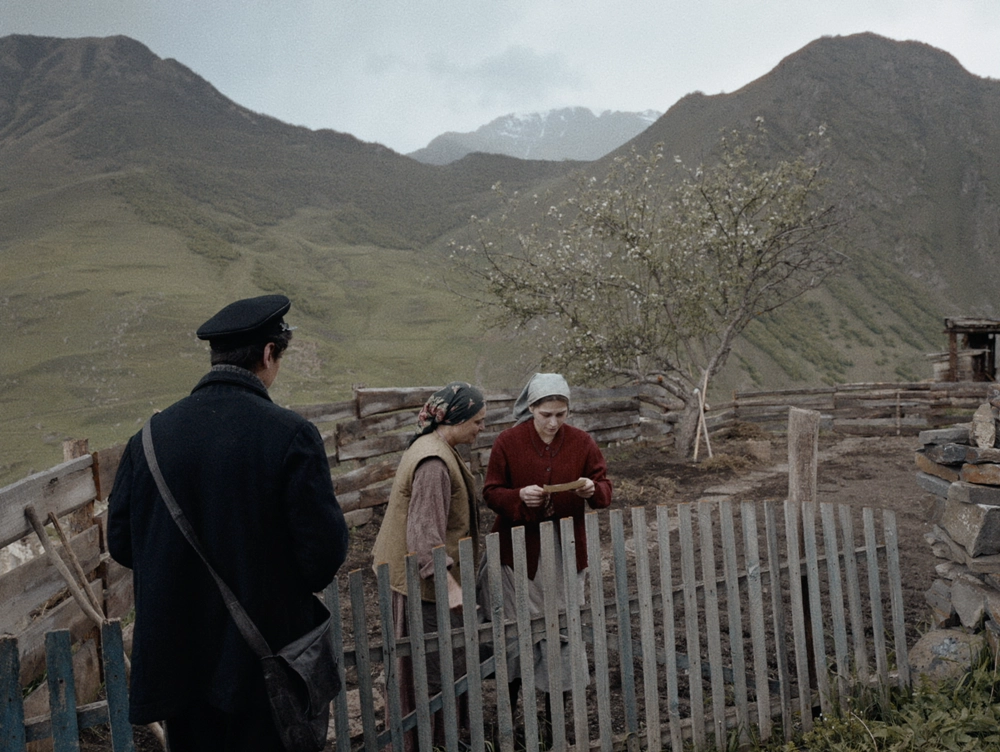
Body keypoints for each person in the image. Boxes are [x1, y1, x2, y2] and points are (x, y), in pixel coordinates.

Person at [107, 294, 349, 752]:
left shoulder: (148, 440)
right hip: (265, 662)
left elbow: (121, 544)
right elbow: (321, 559)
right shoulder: (291, 434)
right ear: (267, 354)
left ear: (215, 356)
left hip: (178, 664)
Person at [482, 372, 612, 729]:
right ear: (531, 408)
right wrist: (518, 496)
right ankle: (508, 719)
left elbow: (605, 489)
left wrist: (591, 490)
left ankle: (557, 721)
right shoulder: (508, 442)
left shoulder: (582, 442)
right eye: (546, 415)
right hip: (518, 553)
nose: (554, 422)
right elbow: (491, 491)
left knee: (563, 632)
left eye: (561, 414)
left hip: (566, 552)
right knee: (515, 633)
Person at [371, 382, 487, 751]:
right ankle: (424, 743)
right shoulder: (434, 463)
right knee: (428, 672)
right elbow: (424, 537)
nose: (481, 428)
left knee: (429, 667)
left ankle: (433, 740)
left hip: (419, 580)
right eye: (478, 421)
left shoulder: (436, 447)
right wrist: (451, 586)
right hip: (421, 585)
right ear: (457, 418)